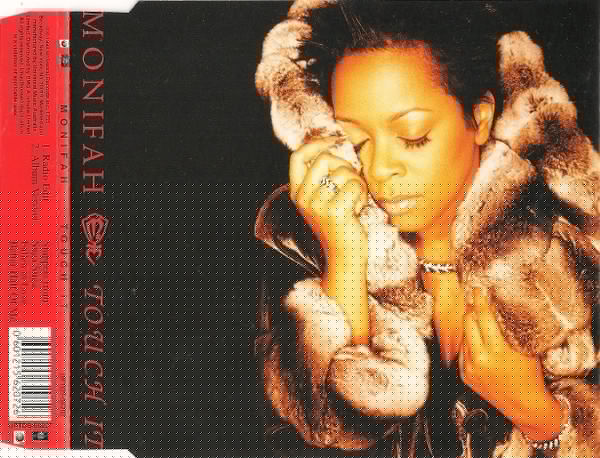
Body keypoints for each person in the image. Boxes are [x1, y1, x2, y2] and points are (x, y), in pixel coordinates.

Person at [254, 1, 600, 457]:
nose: (380, 168)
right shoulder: (299, 243)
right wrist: (345, 256)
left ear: (478, 119)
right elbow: (319, 437)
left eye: (413, 136)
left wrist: (541, 418)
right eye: (355, 141)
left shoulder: (574, 246)